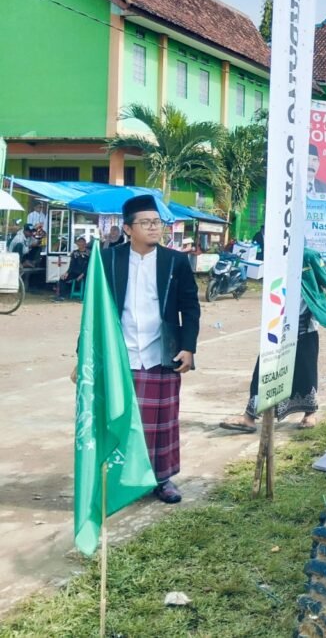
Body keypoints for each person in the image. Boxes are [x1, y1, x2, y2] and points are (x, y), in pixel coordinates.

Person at [78, 195, 201, 504]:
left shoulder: (175, 261)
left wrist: (188, 347)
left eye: (157, 222)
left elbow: (190, 307)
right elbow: (92, 311)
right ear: (128, 228)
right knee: (119, 420)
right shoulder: (107, 260)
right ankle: (119, 480)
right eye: (146, 223)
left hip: (161, 354)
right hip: (119, 355)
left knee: (161, 424)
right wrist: (83, 357)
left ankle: (162, 479)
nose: (154, 228)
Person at [220, 247, 326, 433]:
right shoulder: (275, 253)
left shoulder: (308, 256)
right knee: (265, 366)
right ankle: (249, 417)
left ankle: (309, 413)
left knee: (305, 367)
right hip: (277, 323)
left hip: (304, 323)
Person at [54, 235, 90, 301]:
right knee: (62, 278)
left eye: (82, 242)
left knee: (87, 281)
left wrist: (82, 274)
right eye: (79, 242)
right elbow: (72, 264)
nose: (80, 244)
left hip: (85, 273)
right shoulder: (75, 252)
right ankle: (62, 296)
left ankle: (85, 298)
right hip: (75, 272)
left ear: (85, 243)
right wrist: (67, 272)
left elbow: (89, 265)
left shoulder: (89, 253)